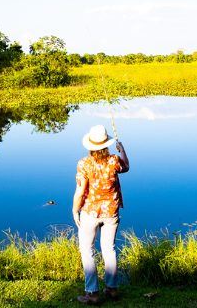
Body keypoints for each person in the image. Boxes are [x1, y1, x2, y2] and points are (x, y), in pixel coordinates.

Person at [72, 125, 130, 305]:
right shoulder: (114, 160)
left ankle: (93, 294)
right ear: (107, 145)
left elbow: (80, 192)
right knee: (109, 249)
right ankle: (112, 289)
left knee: (87, 250)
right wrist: (122, 150)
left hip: (90, 213)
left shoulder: (84, 163)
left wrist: (75, 210)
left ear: (91, 146)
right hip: (111, 212)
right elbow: (126, 166)